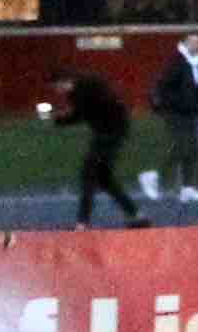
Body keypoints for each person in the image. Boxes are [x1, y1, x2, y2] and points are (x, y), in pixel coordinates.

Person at [54, 66, 146, 228]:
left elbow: (85, 112)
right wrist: (61, 120)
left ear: (64, 82)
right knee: (104, 179)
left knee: (88, 174)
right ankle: (135, 214)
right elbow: (82, 113)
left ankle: (82, 222)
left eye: (57, 86)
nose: (57, 91)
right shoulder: (78, 90)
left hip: (111, 132)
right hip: (108, 132)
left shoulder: (86, 87)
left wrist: (62, 120)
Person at [147, 36, 198, 207]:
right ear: (184, 44)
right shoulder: (177, 62)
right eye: (193, 42)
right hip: (176, 113)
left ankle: (188, 188)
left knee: (192, 149)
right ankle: (154, 176)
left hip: (192, 113)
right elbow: (163, 86)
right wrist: (176, 103)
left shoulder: (196, 62)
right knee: (181, 145)